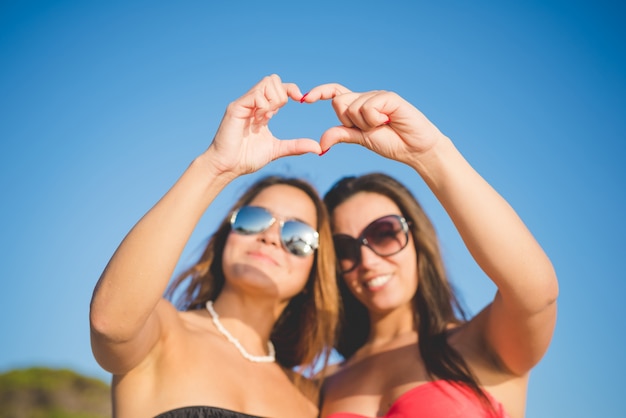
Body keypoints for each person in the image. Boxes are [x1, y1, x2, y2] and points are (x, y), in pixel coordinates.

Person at [300, 84, 559, 418]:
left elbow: (537, 294)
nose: (367, 260)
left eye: (383, 233)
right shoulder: (317, 386)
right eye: (344, 249)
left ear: (417, 238)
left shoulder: (483, 344)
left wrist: (430, 154)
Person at [89, 75, 339, 418]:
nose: (269, 237)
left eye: (297, 235)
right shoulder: (162, 331)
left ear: (317, 267)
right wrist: (216, 166)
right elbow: (109, 323)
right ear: (226, 236)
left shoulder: (312, 399)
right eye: (255, 219)